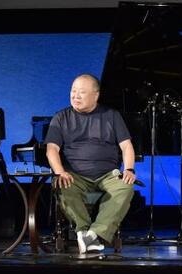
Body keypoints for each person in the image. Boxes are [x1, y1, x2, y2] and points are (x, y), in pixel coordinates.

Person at [45, 74, 136, 254]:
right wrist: (59, 172)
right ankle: (84, 231)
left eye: (81, 92)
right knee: (62, 185)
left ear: (95, 95)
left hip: (108, 174)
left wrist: (129, 169)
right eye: (73, 91)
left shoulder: (111, 115)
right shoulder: (61, 117)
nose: (75, 96)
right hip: (75, 174)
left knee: (126, 187)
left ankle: (92, 234)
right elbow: (51, 149)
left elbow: (126, 146)